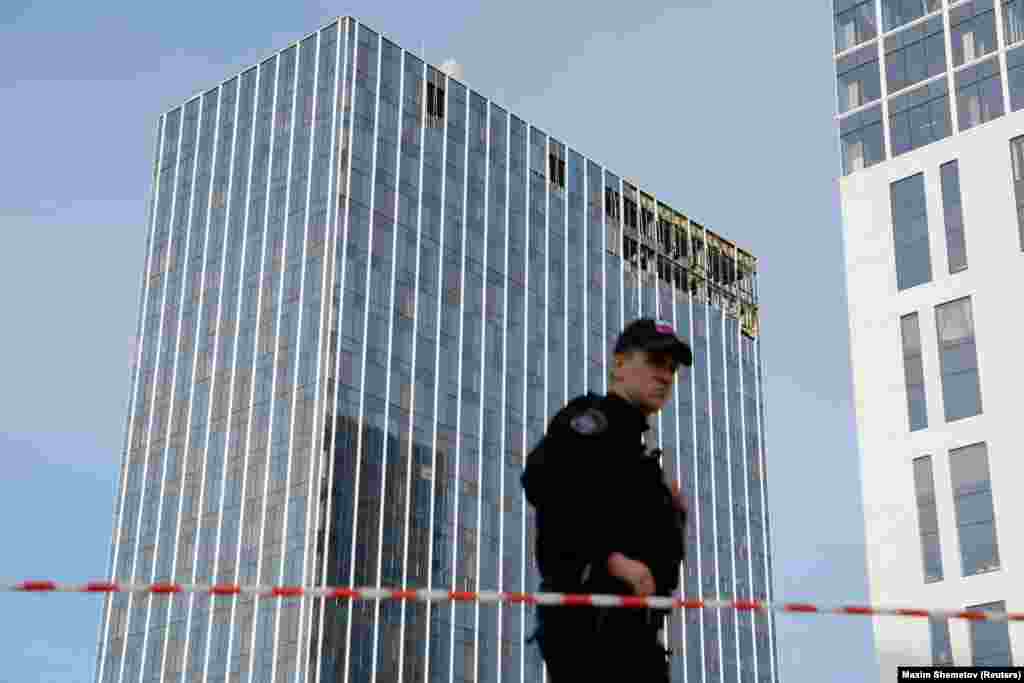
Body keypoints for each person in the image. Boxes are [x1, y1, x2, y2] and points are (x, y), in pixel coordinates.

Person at [521, 317, 692, 682]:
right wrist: (612, 561)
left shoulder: (637, 450)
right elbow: (545, 484)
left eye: (671, 369)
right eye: (654, 362)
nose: (665, 377)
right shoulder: (594, 422)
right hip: (594, 630)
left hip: (635, 635)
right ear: (619, 364)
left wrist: (671, 509)